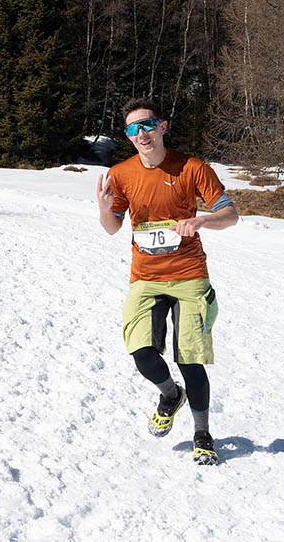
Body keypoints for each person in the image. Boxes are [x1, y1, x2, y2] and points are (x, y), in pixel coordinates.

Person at [95, 97, 238, 465]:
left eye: (147, 125)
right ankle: (171, 395)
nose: (141, 133)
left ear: (162, 127)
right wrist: (104, 209)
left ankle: (202, 434)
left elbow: (230, 214)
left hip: (189, 275)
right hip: (145, 277)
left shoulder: (192, 168)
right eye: (133, 129)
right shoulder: (121, 174)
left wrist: (202, 220)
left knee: (189, 359)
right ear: (128, 136)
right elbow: (112, 227)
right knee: (141, 353)